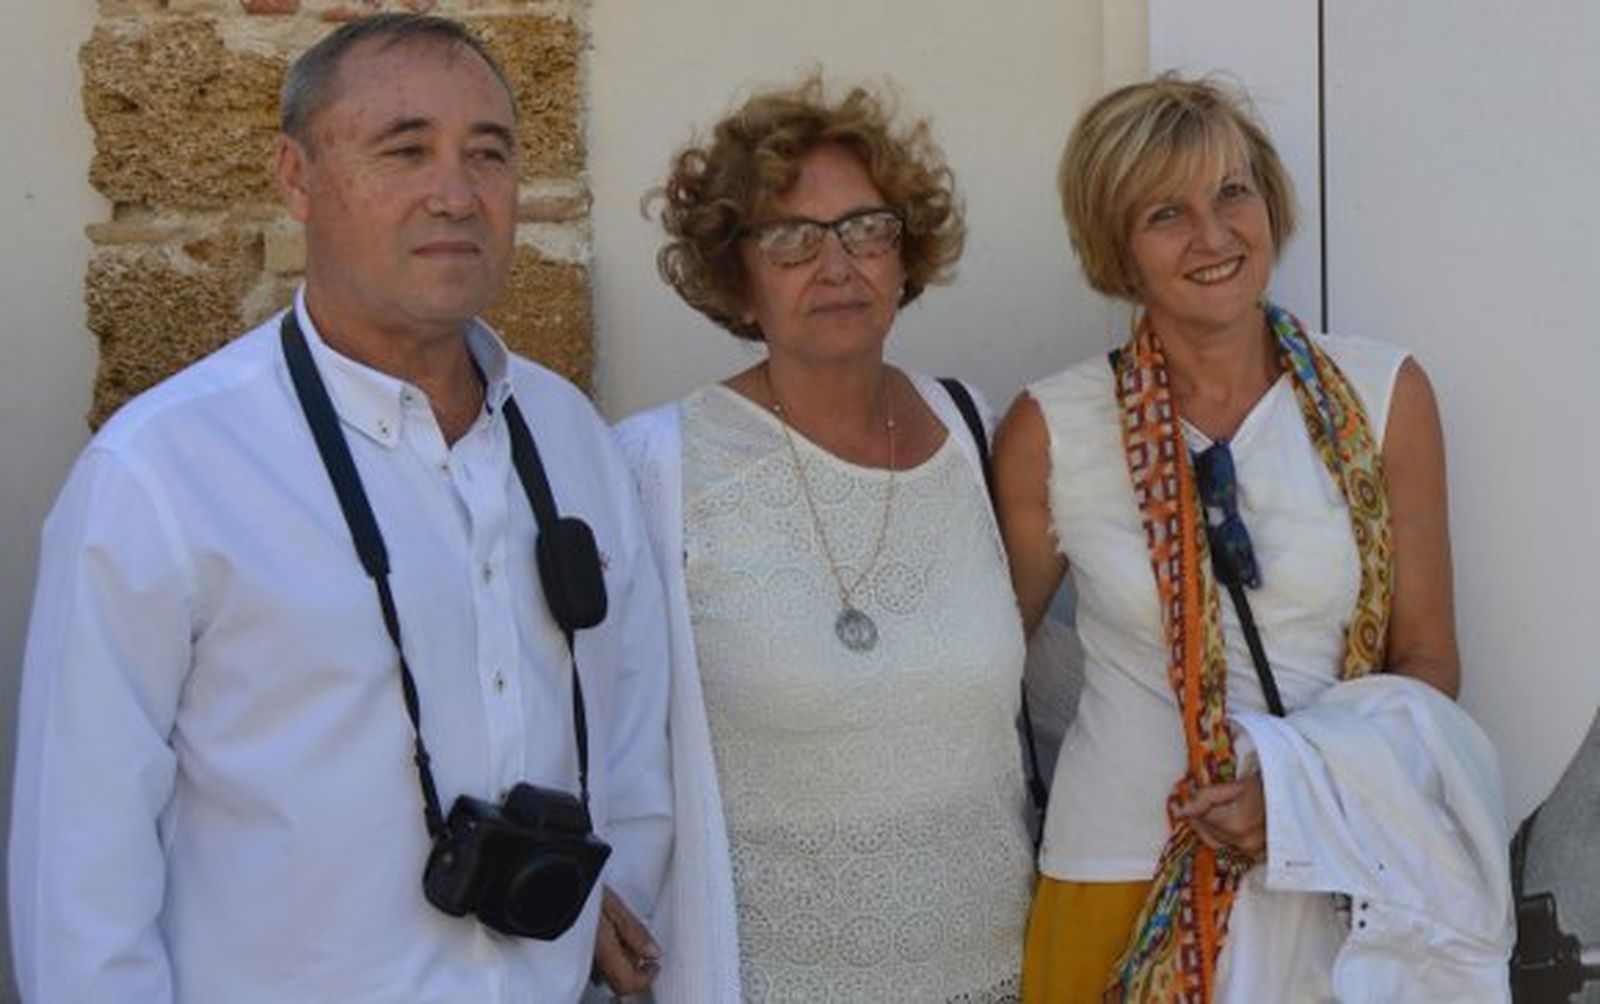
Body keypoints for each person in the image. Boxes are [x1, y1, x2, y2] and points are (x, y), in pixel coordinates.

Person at [8, 15, 670, 1003]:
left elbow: (630, 738)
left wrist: (611, 898)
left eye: (487, 153)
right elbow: (80, 865)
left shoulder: (570, 436)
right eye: (405, 149)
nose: (456, 192)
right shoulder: (161, 472)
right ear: (296, 175)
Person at [995, 75, 1511, 1001]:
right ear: (1117, 248)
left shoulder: (1384, 395)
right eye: (1166, 212)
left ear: (1269, 199)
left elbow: (1427, 661)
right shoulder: (1053, 426)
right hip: (1121, 869)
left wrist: (1301, 797)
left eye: (1233, 192)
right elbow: (986, 672)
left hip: (1339, 873)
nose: (1214, 235)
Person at [612, 77, 1035, 1002]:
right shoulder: (656, 468)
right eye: (792, 240)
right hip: (771, 978)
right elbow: (590, 719)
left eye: (865, 230)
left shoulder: (978, 436)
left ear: (904, 252)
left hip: (993, 969)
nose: (836, 265)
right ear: (736, 274)